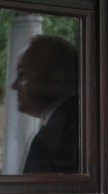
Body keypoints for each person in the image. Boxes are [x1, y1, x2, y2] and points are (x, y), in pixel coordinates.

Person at [12, 35, 79, 174]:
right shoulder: (75, 120)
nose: (14, 86)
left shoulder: (55, 138)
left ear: (57, 77)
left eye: (23, 75)